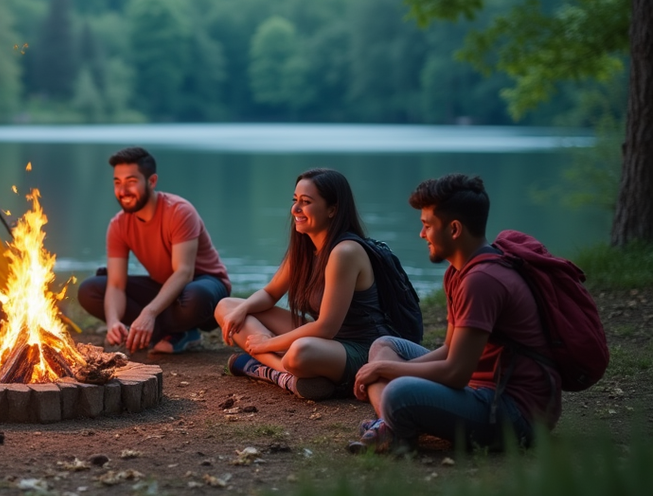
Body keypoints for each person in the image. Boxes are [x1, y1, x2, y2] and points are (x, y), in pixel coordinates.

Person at [350, 174, 559, 453]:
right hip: (478, 388)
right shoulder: (458, 272)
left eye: (427, 225)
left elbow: (456, 374)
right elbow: (450, 350)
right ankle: (393, 425)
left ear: (455, 229)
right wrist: (387, 365)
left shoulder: (482, 280)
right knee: (384, 345)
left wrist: (385, 370)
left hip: (513, 412)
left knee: (397, 393)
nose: (421, 234)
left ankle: (392, 424)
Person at [217, 168, 396, 400]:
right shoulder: (305, 248)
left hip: (361, 348)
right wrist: (242, 310)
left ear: (333, 209)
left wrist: (267, 343)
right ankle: (288, 374)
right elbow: (271, 294)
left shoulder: (345, 252)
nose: (295, 209)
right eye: (295, 201)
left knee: (299, 353)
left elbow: (326, 328)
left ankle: (275, 369)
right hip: (326, 342)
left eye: (306, 202)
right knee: (226, 307)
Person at [77, 147, 231, 356]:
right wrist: (113, 321)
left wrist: (148, 313)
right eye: (117, 183)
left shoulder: (179, 211)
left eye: (131, 182)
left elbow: (184, 273)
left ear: (151, 181)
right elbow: (116, 284)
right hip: (165, 288)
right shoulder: (118, 224)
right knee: (91, 289)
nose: (123, 191)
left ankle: (178, 331)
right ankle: (169, 333)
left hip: (204, 285)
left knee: (196, 296)